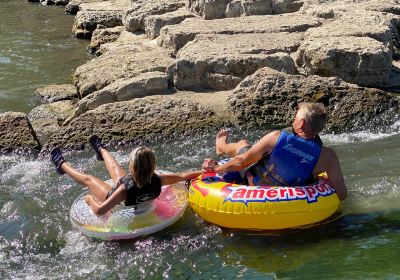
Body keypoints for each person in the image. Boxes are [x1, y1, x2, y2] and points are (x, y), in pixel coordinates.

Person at [203, 102, 347, 200]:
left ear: (301, 123)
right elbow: (341, 194)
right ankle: (221, 146)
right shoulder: (328, 156)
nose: (293, 121)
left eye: (295, 118)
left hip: (252, 188)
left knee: (243, 144)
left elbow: (241, 162)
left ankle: (221, 145)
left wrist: (215, 168)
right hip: (289, 198)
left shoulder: (275, 138)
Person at [50, 135, 203, 216]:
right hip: (135, 188)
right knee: (115, 167)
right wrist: (206, 171)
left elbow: (100, 211)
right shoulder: (158, 180)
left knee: (89, 179)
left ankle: (62, 165)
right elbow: (184, 175)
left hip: (122, 199)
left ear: (133, 167)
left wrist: (90, 200)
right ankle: (101, 150)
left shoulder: (123, 190)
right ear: (152, 166)